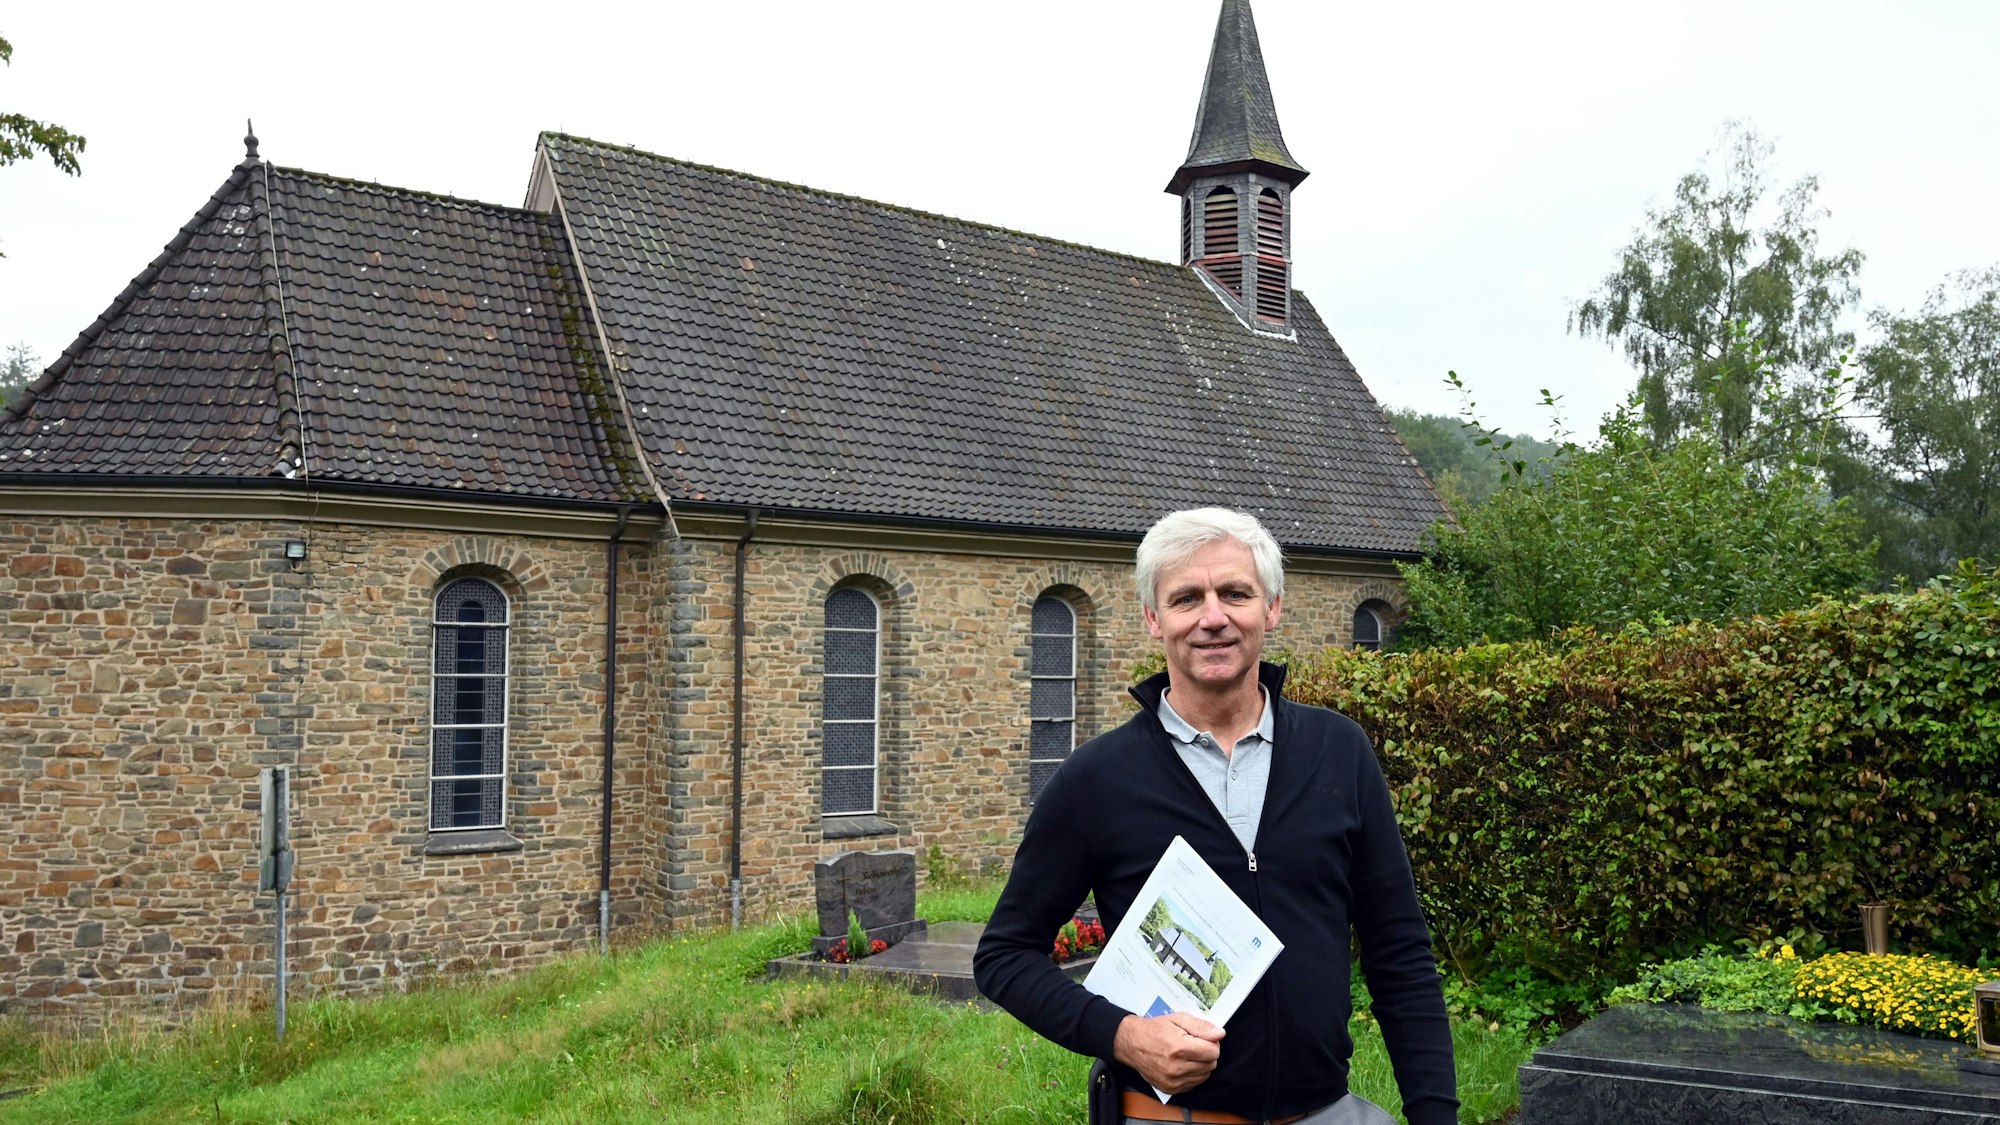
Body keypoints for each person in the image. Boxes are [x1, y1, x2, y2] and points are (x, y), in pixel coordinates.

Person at [974, 507, 1458, 1125]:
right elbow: (1004, 956)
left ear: (1272, 608)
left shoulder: (1339, 752)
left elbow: (1400, 952)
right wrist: (1123, 1036)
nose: (1213, 618)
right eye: (1186, 599)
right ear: (1154, 618)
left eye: (1235, 593)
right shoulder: (1096, 780)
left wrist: (1434, 1114)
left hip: (1328, 1113)